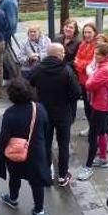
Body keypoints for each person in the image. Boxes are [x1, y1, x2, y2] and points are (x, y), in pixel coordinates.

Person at [30, 43, 83, 187]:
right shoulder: (66, 70)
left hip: (44, 113)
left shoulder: (38, 69)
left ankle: (48, 170)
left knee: (45, 143)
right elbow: (77, 93)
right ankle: (63, 174)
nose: (64, 55)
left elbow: (30, 81)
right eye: (63, 53)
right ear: (58, 54)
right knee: (63, 145)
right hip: (63, 113)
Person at [0, 79, 50, 215]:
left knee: (14, 177)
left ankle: (13, 199)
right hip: (36, 153)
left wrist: (1, 144)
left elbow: (4, 137)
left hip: (16, 154)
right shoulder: (38, 108)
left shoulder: (10, 113)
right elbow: (46, 128)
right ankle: (39, 210)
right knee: (36, 182)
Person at [77, 42, 108, 181]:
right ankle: (103, 158)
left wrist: (91, 74)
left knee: (93, 135)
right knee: (101, 131)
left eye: (97, 54)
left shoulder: (105, 70)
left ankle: (88, 167)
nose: (95, 56)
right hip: (103, 103)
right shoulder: (106, 66)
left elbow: (89, 85)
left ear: (105, 55)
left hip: (101, 105)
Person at [73, 23, 98, 137]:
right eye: (85, 32)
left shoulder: (97, 46)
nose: (86, 35)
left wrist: (81, 64)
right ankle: (90, 127)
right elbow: (76, 61)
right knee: (87, 106)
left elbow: (92, 65)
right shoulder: (82, 44)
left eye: (89, 32)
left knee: (93, 107)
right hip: (82, 81)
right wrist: (83, 64)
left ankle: (95, 131)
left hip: (92, 82)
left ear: (94, 33)